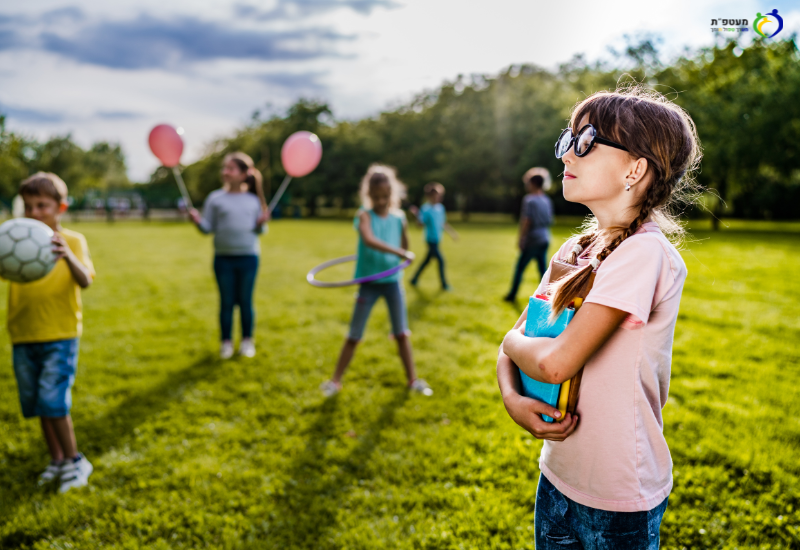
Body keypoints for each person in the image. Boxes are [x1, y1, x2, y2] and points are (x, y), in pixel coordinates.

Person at [496, 87, 701, 548]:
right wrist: (512, 397)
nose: (568, 152)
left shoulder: (644, 254)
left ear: (634, 168)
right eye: (566, 140)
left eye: (585, 141)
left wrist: (509, 345)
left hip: (617, 497)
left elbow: (549, 361)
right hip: (559, 476)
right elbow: (523, 343)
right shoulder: (576, 249)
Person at [8, 172, 96, 493]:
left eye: (42, 206)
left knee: (53, 400)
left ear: (61, 207)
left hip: (60, 333)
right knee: (38, 404)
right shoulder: (14, 238)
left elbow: (85, 280)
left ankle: (75, 461)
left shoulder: (73, 240)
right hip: (23, 333)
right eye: (28, 206)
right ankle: (56, 459)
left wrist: (67, 254)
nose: (34, 213)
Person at [321, 164, 432, 397]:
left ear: (392, 194)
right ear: (369, 195)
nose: (381, 201)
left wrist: (405, 253)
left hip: (393, 281)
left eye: (385, 196)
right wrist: (399, 253)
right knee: (354, 334)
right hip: (368, 283)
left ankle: (413, 380)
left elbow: (405, 247)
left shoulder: (399, 217)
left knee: (402, 332)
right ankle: (334, 382)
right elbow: (369, 239)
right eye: (376, 197)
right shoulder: (363, 215)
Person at [189, 152, 269, 359]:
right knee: (226, 302)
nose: (225, 172)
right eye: (224, 168)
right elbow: (208, 229)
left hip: (249, 258)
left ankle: (247, 341)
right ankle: (226, 342)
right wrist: (197, 221)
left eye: (230, 168)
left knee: (245, 301)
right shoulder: (215, 198)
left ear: (244, 174)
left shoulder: (253, 200)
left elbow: (261, 231)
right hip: (223, 259)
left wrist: (261, 224)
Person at [503, 168, 553, 302]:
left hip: (533, 239)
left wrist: (521, 238)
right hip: (545, 238)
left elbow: (526, 221)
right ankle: (548, 297)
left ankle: (512, 295)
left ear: (533, 183)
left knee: (520, 268)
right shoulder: (546, 200)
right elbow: (550, 220)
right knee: (543, 272)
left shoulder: (529, 200)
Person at [409, 182, 458, 290]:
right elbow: (420, 225)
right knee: (441, 260)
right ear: (429, 196)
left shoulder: (441, 208)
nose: (437, 198)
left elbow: (443, 223)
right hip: (430, 240)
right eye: (435, 195)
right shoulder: (425, 209)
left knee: (427, 261)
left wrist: (453, 233)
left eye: (439, 195)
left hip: (438, 239)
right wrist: (416, 216)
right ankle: (444, 285)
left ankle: (414, 279)